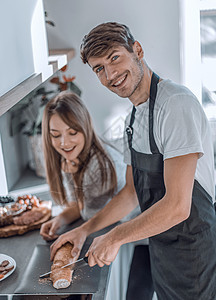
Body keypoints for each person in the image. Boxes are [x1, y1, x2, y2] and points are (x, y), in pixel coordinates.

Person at [50, 22, 216, 300]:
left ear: (137, 50)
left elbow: (177, 206)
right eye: (99, 68)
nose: (110, 73)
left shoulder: (175, 105)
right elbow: (130, 194)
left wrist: (114, 237)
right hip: (161, 249)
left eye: (114, 57)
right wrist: (85, 230)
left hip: (194, 252)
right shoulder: (132, 119)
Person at [40, 90, 141, 299]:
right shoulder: (70, 156)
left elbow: (120, 202)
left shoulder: (100, 164)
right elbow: (83, 204)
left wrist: (82, 229)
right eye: (55, 135)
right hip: (106, 229)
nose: (64, 143)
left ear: (85, 127)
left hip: (135, 233)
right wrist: (61, 218)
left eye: (72, 132)